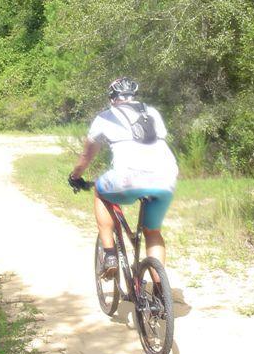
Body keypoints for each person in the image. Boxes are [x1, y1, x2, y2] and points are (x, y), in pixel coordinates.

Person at [68, 77, 178, 278]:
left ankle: (110, 255)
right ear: (134, 96)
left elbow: (87, 155)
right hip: (165, 178)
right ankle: (161, 293)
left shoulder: (105, 117)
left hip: (127, 178)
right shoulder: (152, 112)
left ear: (112, 98)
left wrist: (75, 176)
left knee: (101, 191)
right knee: (153, 232)